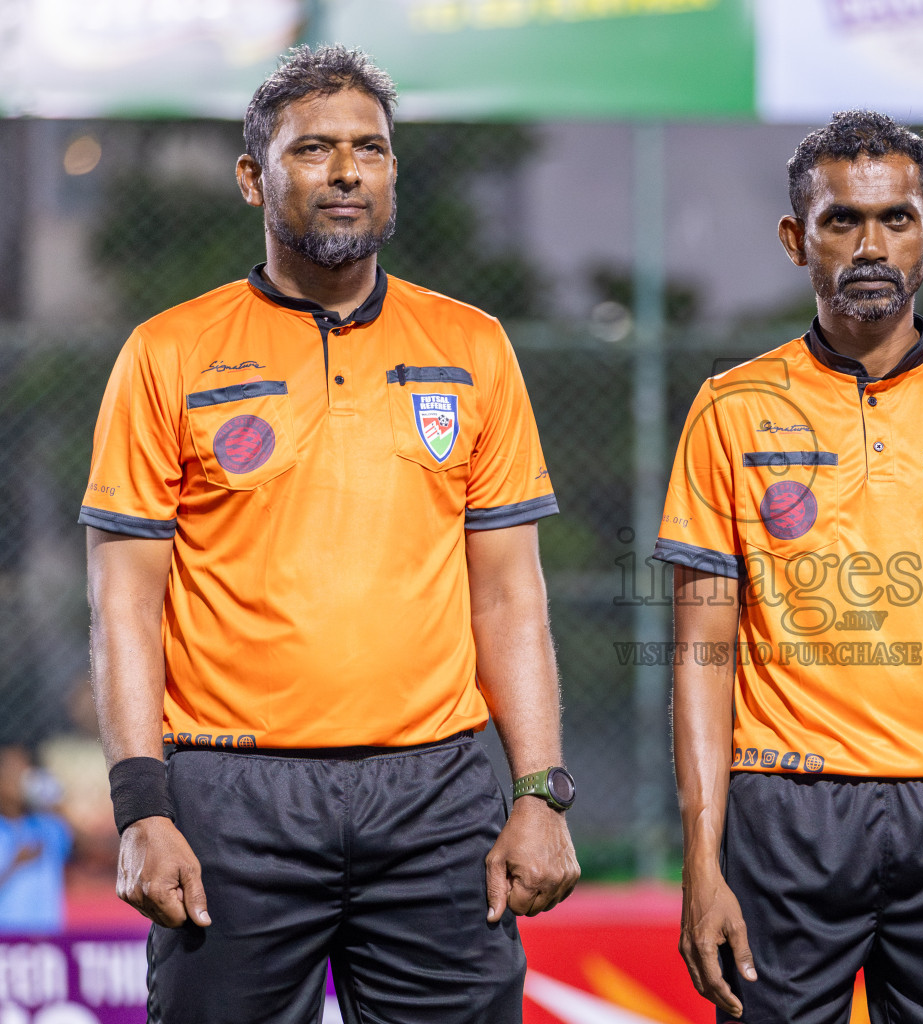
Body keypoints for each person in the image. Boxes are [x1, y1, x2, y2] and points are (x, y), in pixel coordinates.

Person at [79, 45, 578, 1023]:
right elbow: (124, 600)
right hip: (233, 793)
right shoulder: (168, 352)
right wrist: (142, 806)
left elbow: (510, 593)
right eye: (313, 149)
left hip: (435, 794)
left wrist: (539, 794)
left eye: (370, 149)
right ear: (253, 177)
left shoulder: (472, 346)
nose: (347, 170)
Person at [653, 110, 923, 1023]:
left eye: (895, 219)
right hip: (786, 810)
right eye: (841, 220)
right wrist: (702, 856)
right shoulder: (730, 408)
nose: (870, 244)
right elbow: (702, 654)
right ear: (794, 239)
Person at [0, 746, 72, 934]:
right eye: (13, 773)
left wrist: (54, 800)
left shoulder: (46, 825)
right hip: (6, 939)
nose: (21, 781)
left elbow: (84, 845)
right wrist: (15, 863)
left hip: (48, 936)